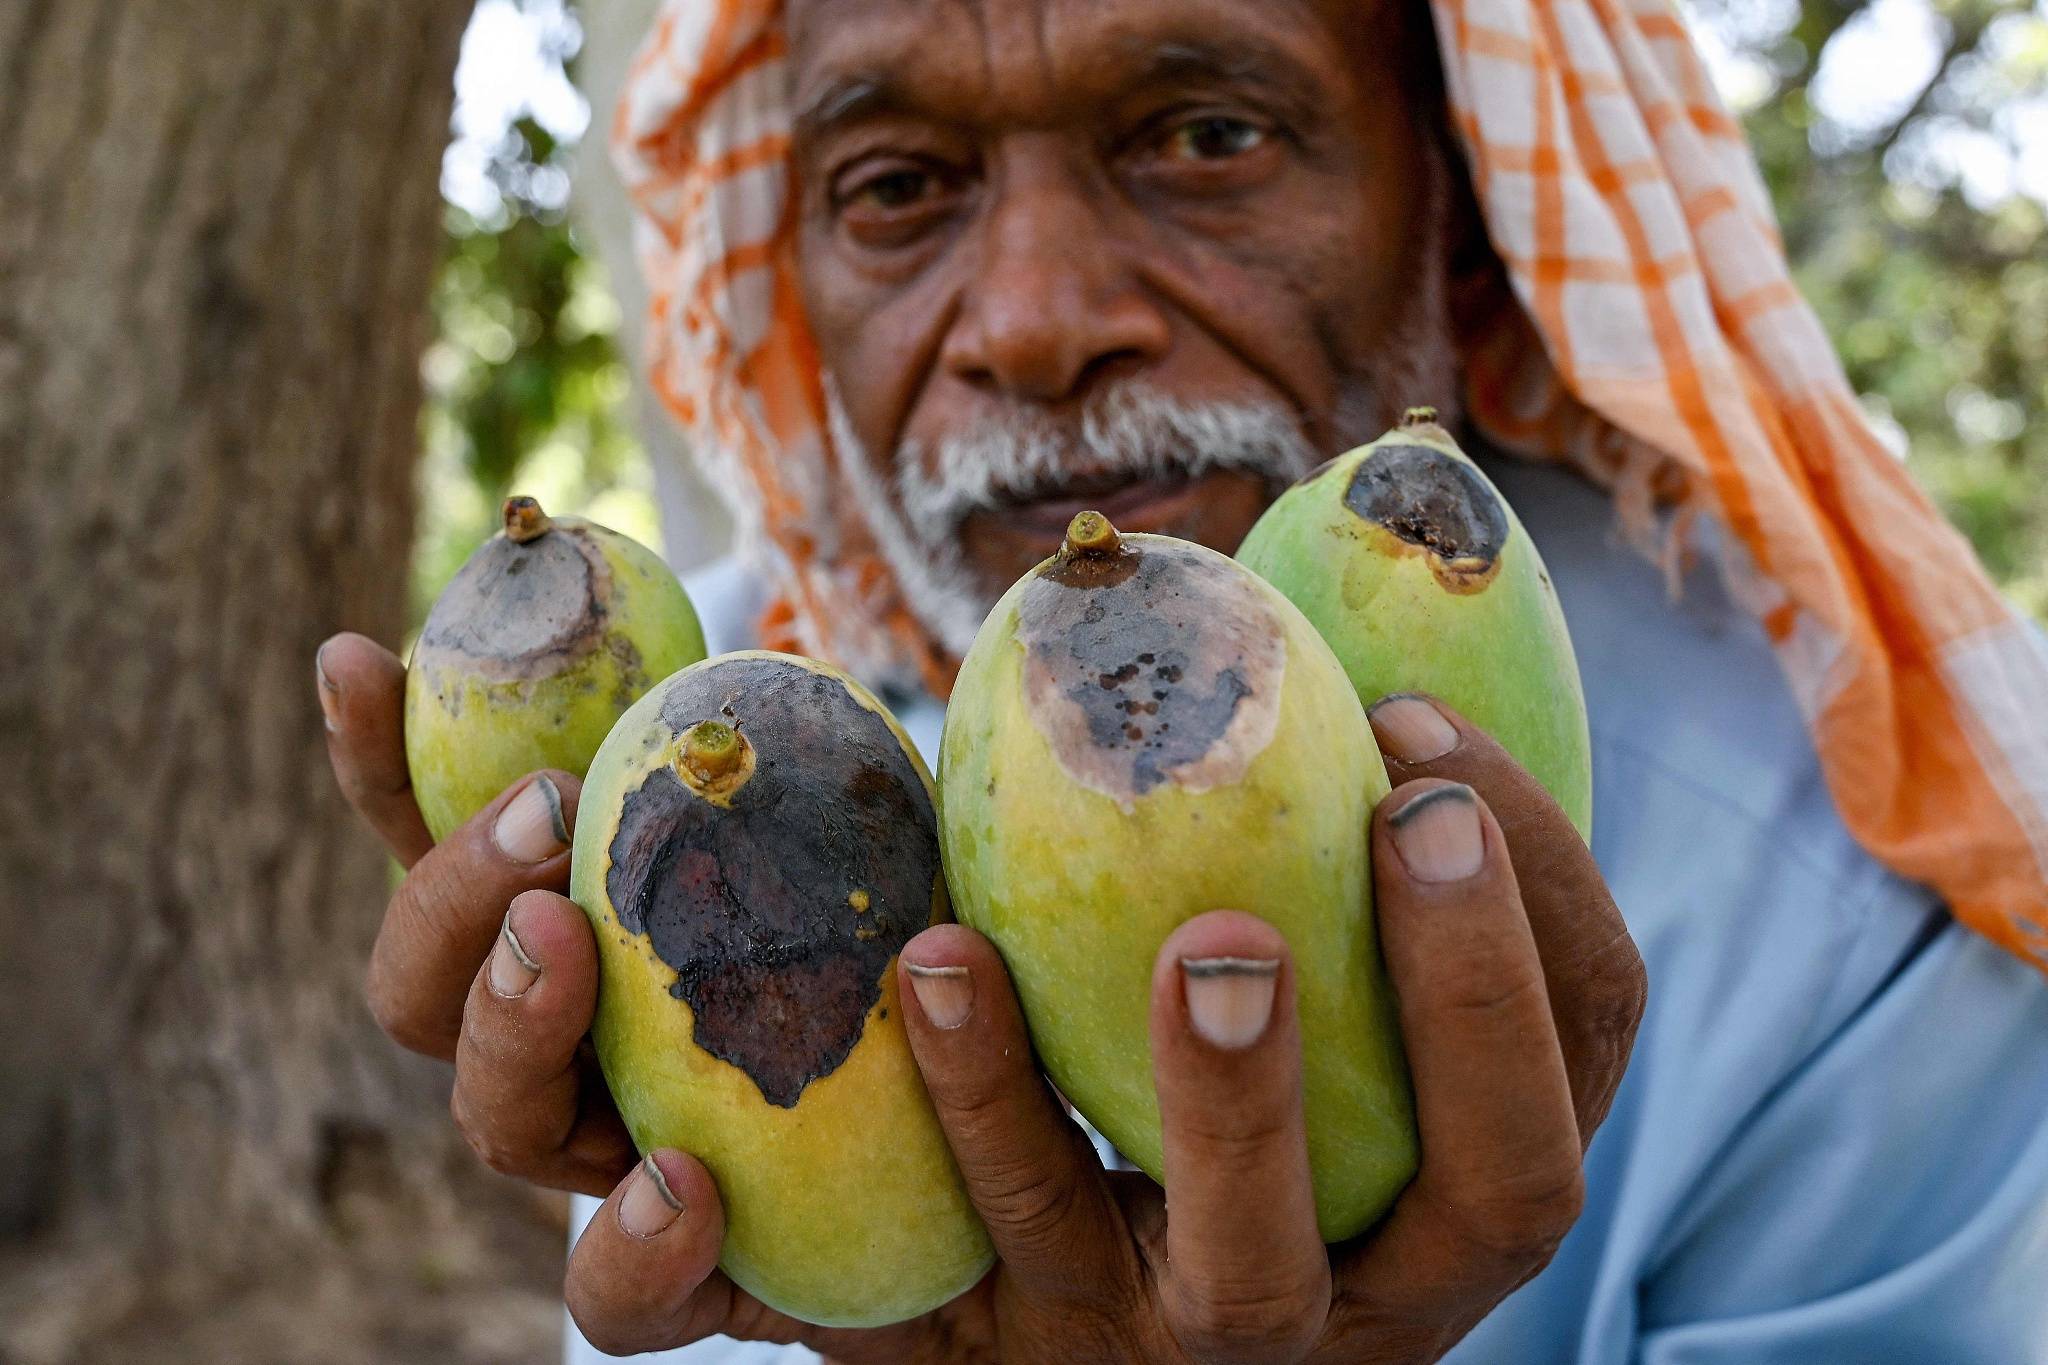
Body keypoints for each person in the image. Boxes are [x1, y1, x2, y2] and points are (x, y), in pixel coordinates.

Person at [315, 0, 2048, 1360]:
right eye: (901, 183)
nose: (1036, 318)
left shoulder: (1872, 870)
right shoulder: (697, 748)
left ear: (1455, 200)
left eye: (1206, 135)